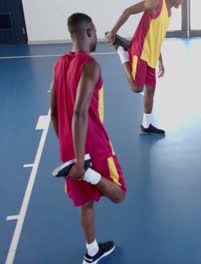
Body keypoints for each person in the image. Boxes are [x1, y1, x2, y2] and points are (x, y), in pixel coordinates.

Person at [49, 13, 126, 264]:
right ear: (90, 31)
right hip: (92, 143)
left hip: (69, 145)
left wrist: (68, 147)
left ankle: (92, 251)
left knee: (85, 202)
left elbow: (54, 112)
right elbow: (80, 112)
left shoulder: (59, 63)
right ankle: (90, 172)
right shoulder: (90, 65)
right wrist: (82, 164)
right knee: (119, 194)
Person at [105, 0, 183, 135]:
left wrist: (160, 61)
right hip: (140, 51)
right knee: (137, 87)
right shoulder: (155, 4)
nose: (182, 1)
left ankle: (146, 125)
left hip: (151, 57)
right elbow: (128, 11)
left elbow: (157, 38)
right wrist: (112, 33)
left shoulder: (169, 14)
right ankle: (121, 51)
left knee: (150, 90)